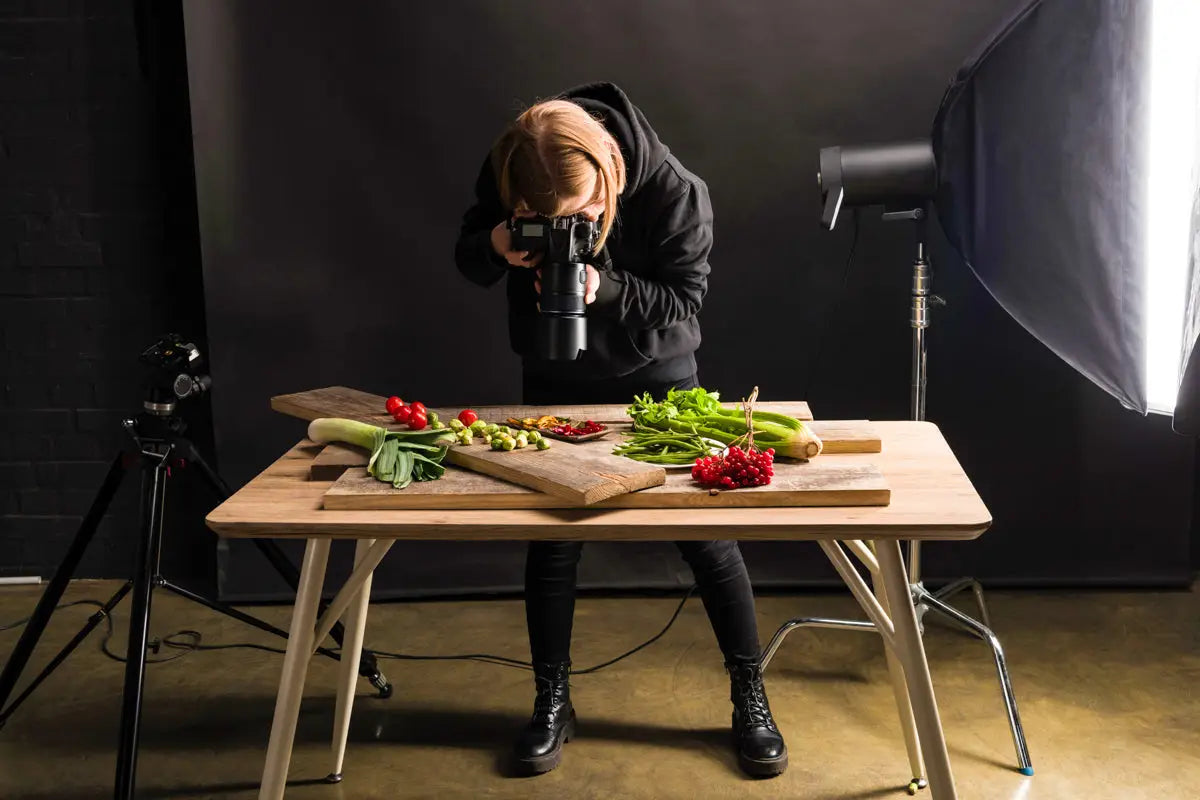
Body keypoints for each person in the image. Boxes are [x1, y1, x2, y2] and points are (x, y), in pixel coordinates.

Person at [454, 82, 786, 778]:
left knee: (709, 542)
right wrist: (493, 243)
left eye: (578, 218)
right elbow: (467, 257)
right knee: (549, 544)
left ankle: (749, 696)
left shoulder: (674, 192)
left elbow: (686, 301)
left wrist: (602, 290)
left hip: (660, 380)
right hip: (550, 375)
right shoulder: (516, 165)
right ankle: (552, 700)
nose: (563, 232)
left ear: (609, 174)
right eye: (539, 219)